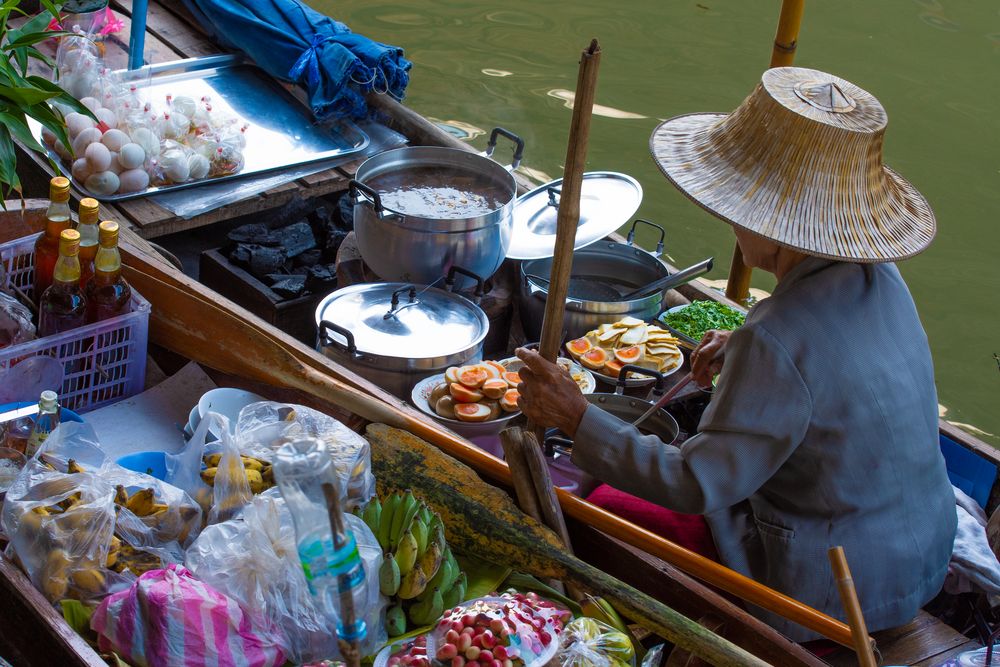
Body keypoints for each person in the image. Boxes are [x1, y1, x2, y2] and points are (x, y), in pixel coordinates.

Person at [515, 66, 957, 641]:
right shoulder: (881, 278)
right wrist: (740, 346)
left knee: (604, 503)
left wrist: (576, 416)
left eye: (739, 213)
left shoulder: (777, 337)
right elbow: (832, 366)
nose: (731, 225)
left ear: (775, 224)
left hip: (837, 591)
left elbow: (697, 483)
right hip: (920, 557)